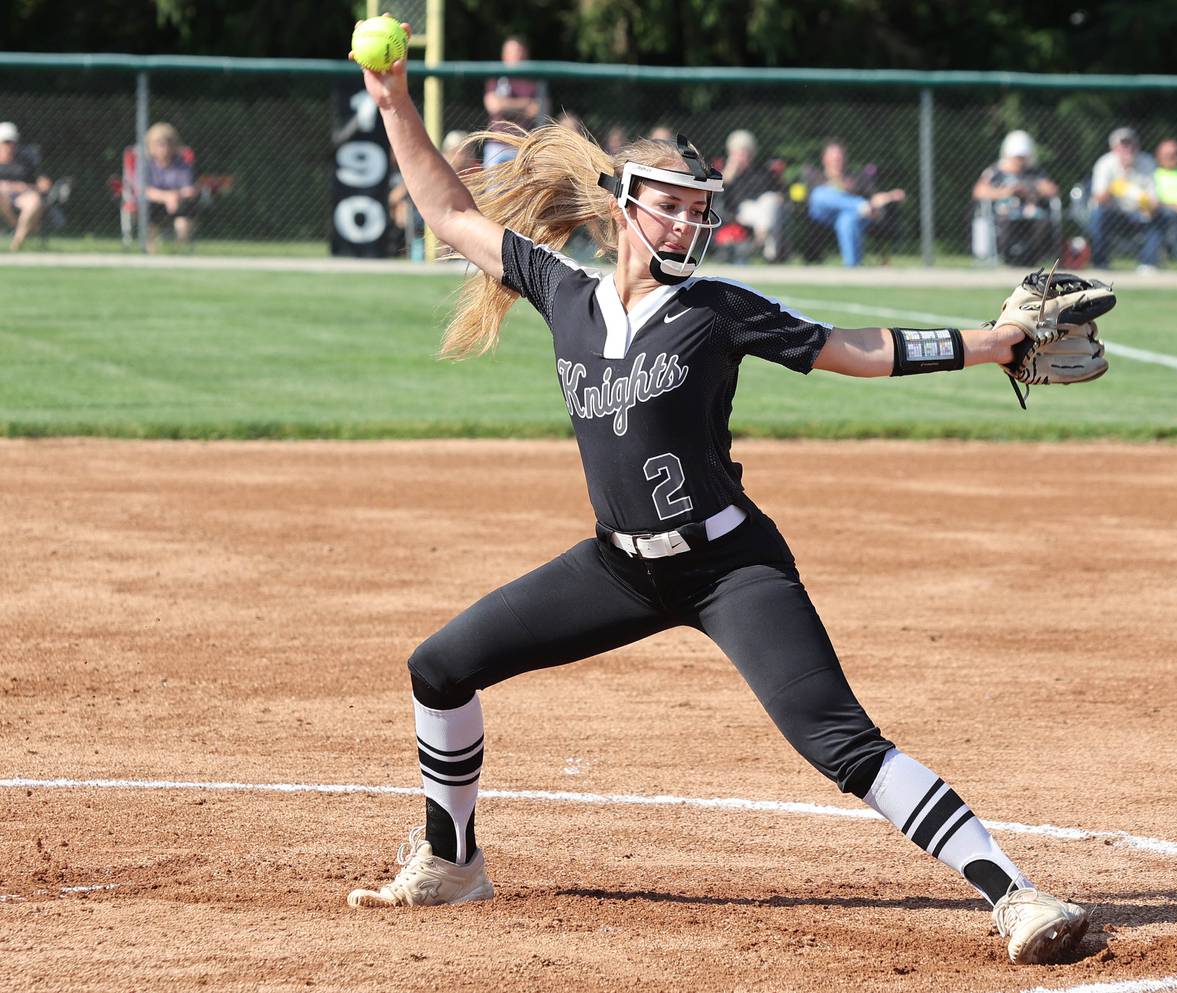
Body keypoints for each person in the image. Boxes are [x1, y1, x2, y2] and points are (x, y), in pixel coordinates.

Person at [345, 31, 1090, 968]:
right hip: (619, 568)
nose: (691, 227)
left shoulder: (720, 310)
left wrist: (988, 342)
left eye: (700, 212)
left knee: (841, 743)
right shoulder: (563, 291)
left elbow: (848, 349)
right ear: (623, 208)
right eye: (672, 209)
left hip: (731, 567)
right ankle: (453, 862)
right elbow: (448, 209)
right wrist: (391, 99)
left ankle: (1015, 894)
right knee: (440, 666)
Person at [806, 140, 906, 267]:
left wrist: (890, 195)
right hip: (822, 216)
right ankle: (859, 205)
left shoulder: (856, 177)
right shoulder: (816, 175)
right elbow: (813, 199)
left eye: (839, 157)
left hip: (851, 216)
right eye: (833, 158)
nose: (836, 161)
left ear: (844, 158)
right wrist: (840, 189)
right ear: (824, 159)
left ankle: (852, 268)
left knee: (846, 220)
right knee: (819, 194)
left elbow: (873, 199)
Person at [971, 130, 1060, 266]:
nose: (1019, 161)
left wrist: (1029, 189)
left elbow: (1052, 189)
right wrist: (1005, 192)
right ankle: (1006, 255)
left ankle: (1034, 256)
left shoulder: (1034, 172)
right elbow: (979, 191)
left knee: (1043, 221)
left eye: (1022, 157)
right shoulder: (995, 171)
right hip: (1004, 213)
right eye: (1016, 157)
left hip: (1030, 213)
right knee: (1005, 222)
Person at [1087, 126, 1162, 273]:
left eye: (1131, 145)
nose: (1128, 149)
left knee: (1159, 216)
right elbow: (1099, 198)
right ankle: (1100, 263)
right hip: (1112, 211)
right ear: (1114, 148)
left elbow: (1154, 199)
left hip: (1138, 211)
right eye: (1123, 145)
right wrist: (1115, 188)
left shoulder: (1147, 162)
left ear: (1137, 146)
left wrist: (1148, 205)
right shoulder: (1105, 163)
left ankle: (1148, 263)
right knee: (1098, 215)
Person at [717, 129, 784, 262]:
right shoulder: (725, 174)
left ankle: (761, 237)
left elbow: (779, 192)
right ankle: (769, 251)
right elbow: (719, 195)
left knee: (769, 200)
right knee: (762, 209)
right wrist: (730, 172)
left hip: (764, 209)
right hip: (739, 212)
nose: (743, 156)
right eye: (738, 153)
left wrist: (778, 197)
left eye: (746, 152)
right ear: (731, 154)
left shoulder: (762, 171)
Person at [482, 36, 549, 167]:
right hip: (498, 146)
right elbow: (493, 106)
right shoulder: (497, 77)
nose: (516, 56)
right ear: (504, 55)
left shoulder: (534, 81)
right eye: (511, 52)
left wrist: (505, 104)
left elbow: (538, 110)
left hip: (525, 147)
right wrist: (524, 105)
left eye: (519, 51)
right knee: (494, 187)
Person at [139, 122, 199, 251]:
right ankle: (151, 250)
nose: (164, 147)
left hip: (178, 204)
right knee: (146, 207)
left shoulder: (182, 164)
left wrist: (175, 197)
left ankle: (179, 249)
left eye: (168, 143)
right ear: (151, 145)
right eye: (160, 143)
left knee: (187, 210)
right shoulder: (146, 165)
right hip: (155, 205)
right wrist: (167, 197)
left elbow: (189, 190)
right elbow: (144, 191)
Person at [0, 121, 53, 252]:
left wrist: (21, 187)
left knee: (35, 202)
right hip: (3, 199)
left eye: (12, 141)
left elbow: (45, 184)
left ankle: (15, 245)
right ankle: (22, 228)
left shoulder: (28, 157)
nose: (10, 145)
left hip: (24, 195)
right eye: (5, 141)